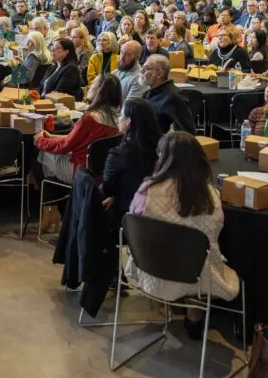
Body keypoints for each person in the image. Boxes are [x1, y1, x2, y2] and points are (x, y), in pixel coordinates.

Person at [125, 132, 240, 340]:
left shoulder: (147, 191)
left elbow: (134, 219)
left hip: (152, 266)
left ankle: (174, 299)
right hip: (199, 274)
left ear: (163, 158)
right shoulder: (210, 196)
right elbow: (215, 234)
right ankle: (194, 313)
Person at [35, 74, 121, 186]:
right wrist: (51, 137)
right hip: (101, 174)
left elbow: (64, 146)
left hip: (81, 172)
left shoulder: (90, 118)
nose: (89, 85)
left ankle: (48, 198)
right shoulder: (119, 120)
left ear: (101, 90)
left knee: (39, 152)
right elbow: (75, 139)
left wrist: (39, 140)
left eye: (93, 82)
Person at [101, 98, 161, 219]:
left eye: (121, 115)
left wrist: (116, 196)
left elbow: (108, 189)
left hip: (129, 213)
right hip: (158, 207)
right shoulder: (161, 147)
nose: (119, 118)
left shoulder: (118, 155)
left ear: (128, 121)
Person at [140, 55, 196, 134]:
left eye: (146, 68)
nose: (141, 71)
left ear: (159, 74)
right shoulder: (148, 93)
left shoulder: (174, 98)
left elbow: (188, 133)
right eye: (142, 67)